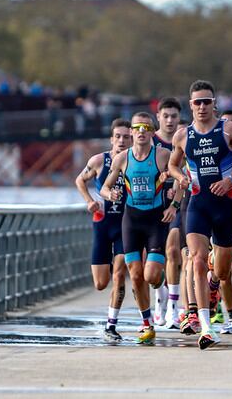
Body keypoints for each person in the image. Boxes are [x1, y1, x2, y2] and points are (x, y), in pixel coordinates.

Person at [168, 80, 232, 350]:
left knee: (222, 272)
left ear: (215, 103)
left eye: (207, 101)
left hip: (225, 205)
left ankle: (213, 284)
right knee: (198, 260)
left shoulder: (229, 129)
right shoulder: (183, 135)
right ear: (190, 105)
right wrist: (182, 178)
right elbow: (172, 165)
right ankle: (206, 327)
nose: (202, 106)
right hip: (198, 205)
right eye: (197, 102)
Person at [100, 112, 181, 345]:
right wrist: (110, 194)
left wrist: (174, 205)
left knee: (151, 275)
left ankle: (160, 285)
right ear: (133, 131)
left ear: (152, 131)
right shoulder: (122, 159)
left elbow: (181, 178)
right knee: (135, 276)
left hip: (156, 220)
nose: (142, 132)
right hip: (131, 220)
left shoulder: (162, 155)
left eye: (146, 127)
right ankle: (147, 324)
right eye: (138, 128)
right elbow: (104, 187)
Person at [74, 118, 132, 342]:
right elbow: (80, 180)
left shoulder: (135, 161)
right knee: (100, 283)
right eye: (118, 136)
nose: (122, 140)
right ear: (111, 139)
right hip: (102, 224)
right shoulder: (99, 161)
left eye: (126, 137)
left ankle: (111, 325)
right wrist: (89, 200)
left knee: (119, 275)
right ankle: (109, 321)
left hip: (125, 225)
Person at [152, 97, 184, 328]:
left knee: (173, 252)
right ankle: (158, 302)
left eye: (174, 116)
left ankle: (173, 309)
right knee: (153, 263)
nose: (170, 120)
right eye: (166, 116)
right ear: (158, 117)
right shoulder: (149, 141)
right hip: (151, 205)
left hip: (178, 202)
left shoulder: (184, 138)